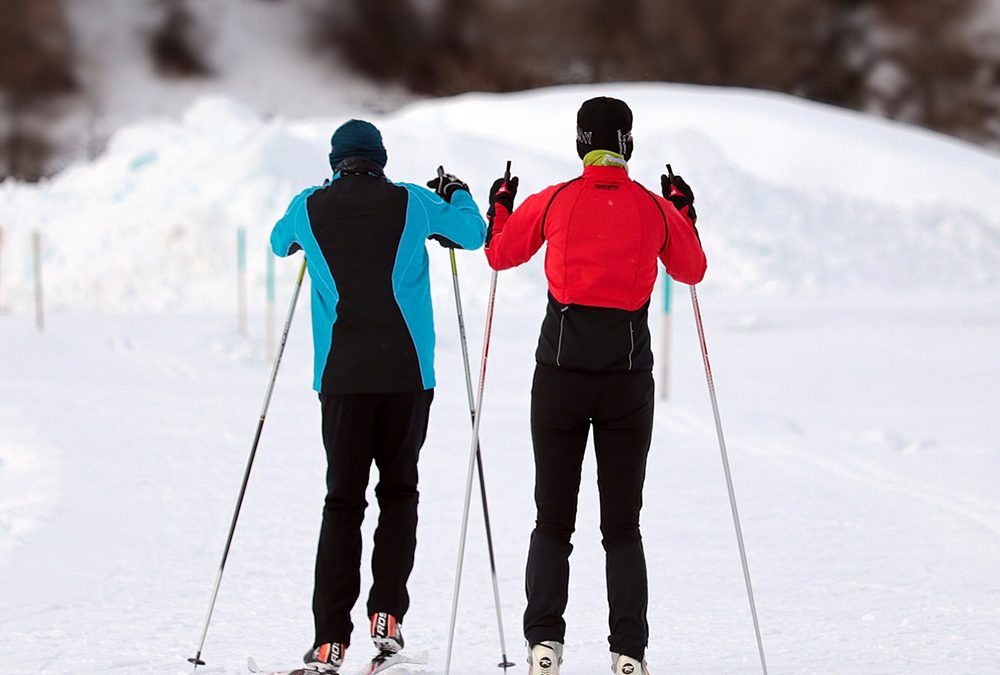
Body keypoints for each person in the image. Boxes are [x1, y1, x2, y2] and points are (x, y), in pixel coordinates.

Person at [484, 97, 707, 675]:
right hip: (626, 384)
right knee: (622, 526)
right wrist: (684, 210)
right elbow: (691, 269)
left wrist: (501, 207)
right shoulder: (654, 209)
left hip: (558, 378)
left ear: (582, 143)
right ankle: (628, 652)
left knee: (552, 519)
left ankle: (543, 646)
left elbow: (500, 254)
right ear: (627, 144)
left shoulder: (555, 199)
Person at [270, 119, 486, 673]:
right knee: (399, 493)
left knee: (342, 500)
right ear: (382, 159)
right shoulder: (412, 202)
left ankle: (329, 639)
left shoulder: (309, 205)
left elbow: (278, 243)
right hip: (408, 376)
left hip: (341, 379)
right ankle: (387, 612)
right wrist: (455, 190)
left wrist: (309, 208)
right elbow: (472, 233)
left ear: (335, 161)